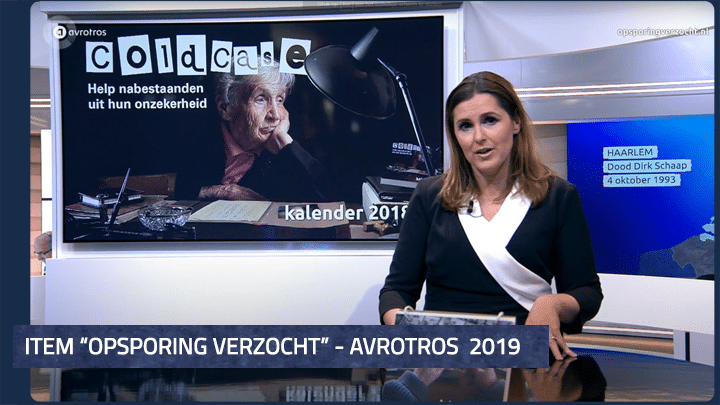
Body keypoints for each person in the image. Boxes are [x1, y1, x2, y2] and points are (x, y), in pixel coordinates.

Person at [378, 71, 603, 360]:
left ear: (516, 122)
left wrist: (553, 304)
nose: (479, 137)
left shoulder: (558, 196)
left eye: (490, 120)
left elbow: (587, 292)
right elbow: (396, 291)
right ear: (455, 136)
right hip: (445, 363)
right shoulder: (430, 196)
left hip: (525, 360)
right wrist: (407, 331)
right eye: (465, 126)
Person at [174, 61, 335, 202]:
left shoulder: (289, 148)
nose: (275, 115)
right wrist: (219, 191)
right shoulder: (193, 137)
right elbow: (168, 188)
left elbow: (330, 199)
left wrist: (285, 144)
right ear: (225, 107)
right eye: (260, 99)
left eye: (280, 99)